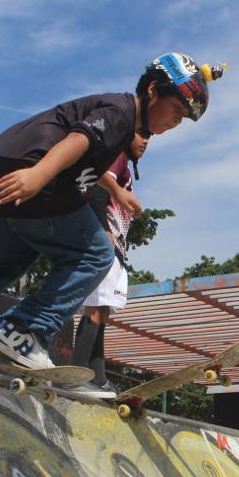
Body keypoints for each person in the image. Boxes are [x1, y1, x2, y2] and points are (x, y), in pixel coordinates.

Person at [0, 54, 223, 369]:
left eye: (183, 119)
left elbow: (88, 173)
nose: (175, 123)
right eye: (176, 111)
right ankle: (23, 332)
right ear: (153, 90)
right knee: (96, 255)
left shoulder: (118, 129)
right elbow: (78, 139)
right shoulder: (121, 111)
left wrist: (106, 195)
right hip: (31, 169)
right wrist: (38, 175)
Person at [72, 132, 147, 398]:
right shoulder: (115, 156)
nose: (146, 141)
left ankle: (97, 378)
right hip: (103, 242)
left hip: (115, 247)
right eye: (142, 134)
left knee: (103, 312)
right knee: (94, 309)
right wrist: (103, 231)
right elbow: (96, 188)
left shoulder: (124, 164)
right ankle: (75, 376)